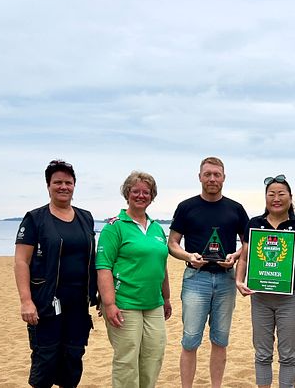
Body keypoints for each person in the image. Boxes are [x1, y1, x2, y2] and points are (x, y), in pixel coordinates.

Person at [14, 159, 98, 388]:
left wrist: (99, 295)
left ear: (74, 185)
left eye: (68, 182)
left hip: (79, 302)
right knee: (46, 357)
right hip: (46, 301)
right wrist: (26, 301)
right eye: (57, 182)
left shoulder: (85, 217)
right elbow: (21, 261)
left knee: (73, 357)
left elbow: (92, 259)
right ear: (48, 186)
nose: (63, 187)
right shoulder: (35, 218)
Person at [167, 156, 249, 388]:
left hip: (226, 279)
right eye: (208, 174)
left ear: (224, 177)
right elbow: (172, 243)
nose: (212, 179)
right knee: (190, 340)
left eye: (217, 174)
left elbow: (248, 243)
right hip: (195, 279)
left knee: (220, 340)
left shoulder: (236, 209)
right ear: (200, 177)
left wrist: (234, 256)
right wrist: (188, 256)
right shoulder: (186, 207)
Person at [235, 174, 295, 388]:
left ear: (290, 197)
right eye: (271, 194)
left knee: (288, 354)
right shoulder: (254, 223)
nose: (276, 198)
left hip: (291, 295)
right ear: (265, 198)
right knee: (262, 353)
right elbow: (244, 257)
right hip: (260, 295)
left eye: (281, 194)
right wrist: (239, 280)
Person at [96, 171, 172, 388]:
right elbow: (103, 267)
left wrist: (166, 298)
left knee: (153, 356)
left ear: (152, 196)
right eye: (135, 191)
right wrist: (109, 304)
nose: (141, 195)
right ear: (127, 193)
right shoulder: (115, 226)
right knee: (127, 360)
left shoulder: (157, 228)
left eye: (146, 192)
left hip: (153, 304)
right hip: (125, 303)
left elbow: (161, 266)